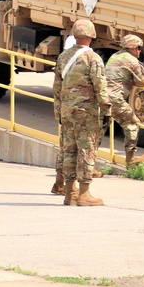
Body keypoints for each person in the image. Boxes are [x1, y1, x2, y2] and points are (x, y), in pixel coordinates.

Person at [52, 18, 111, 207]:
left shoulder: (63, 57)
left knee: (69, 150)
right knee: (86, 150)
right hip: (86, 112)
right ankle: (84, 193)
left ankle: (70, 193)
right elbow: (100, 86)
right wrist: (107, 109)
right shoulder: (92, 58)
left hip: (67, 111)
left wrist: (59, 111)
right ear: (92, 36)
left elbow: (57, 87)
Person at [105, 34, 144, 168]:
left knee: (99, 129)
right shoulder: (132, 61)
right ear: (134, 48)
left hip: (101, 96)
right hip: (114, 98)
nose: (140, 51)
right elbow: (143, 82)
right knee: (132, 123)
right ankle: (130, 160)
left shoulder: (114, 56)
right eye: (139, 48)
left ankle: (87, 165)